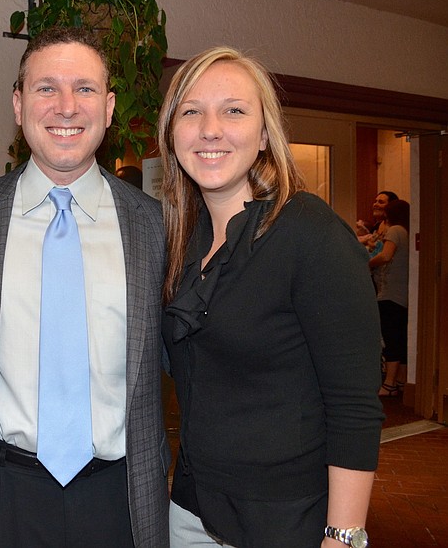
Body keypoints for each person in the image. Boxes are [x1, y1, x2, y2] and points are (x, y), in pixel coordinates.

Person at [0, 26, 169, 547]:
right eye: (46, 88)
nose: (66, 106)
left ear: (108, 107)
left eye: (84, 89)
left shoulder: (157, 227)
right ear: (19, 105)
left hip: (120, 497)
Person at [157, 46, 383, 547]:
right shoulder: (178, 244)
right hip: (191, 511)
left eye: (233, 110)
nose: (210, 128)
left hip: (286, 522)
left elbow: (353, 406)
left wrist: (342, 537)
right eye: (191, 111)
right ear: (173, 134)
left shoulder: (309, 233)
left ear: (264, 135)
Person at [369, 198, 410, 397]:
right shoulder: (407, 232)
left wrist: (366, 264)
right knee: (401, 338)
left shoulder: (394, 231)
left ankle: (389, 382)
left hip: (390, 293)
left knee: (392, 337)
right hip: (403, 294)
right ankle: (402, 381)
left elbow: (385, 256)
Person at [356, 190, 398, 255]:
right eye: (375, 201)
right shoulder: (377, 225)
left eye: (381, 202)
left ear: (391, 206)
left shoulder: (395, 229)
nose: (375, 204)